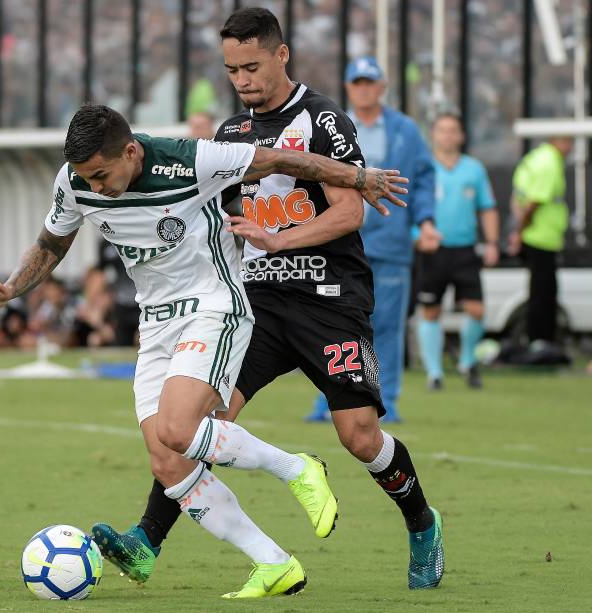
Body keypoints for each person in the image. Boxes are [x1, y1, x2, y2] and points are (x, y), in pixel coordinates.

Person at [0, 103, 408, 598]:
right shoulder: (73, 182)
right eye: (86, 177)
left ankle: (296, 468)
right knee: (169, 464)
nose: (95, 187)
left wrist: (360, 175)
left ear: (131, 151)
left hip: (213, 307)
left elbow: (284, 160)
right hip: (154, 323)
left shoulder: (192, 160)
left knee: (178, 430)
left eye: (103, 175)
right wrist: (10, 288)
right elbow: (52, 241)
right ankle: (273, 562)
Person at [91, 8, 444, 593]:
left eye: (252, 65)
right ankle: (147, 541)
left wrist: (278, 238)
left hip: (328, 299)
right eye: (232, 70)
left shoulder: (323, 119)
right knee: (198, 421)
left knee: (358, 435)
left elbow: (349, 211)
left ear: (282, 55)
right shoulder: (231, 134)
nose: (243, 80)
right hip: (256, 304)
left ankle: (422, 522)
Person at [307, 55, 440, 423]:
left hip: (390, 243)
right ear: (349, 88)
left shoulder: (405, 131)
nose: (364, 89)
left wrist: (425, 221)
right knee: (334, 326)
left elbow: (424, 180)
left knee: (386, 327)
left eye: (370, 83)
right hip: (338, 243)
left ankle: (385, 400)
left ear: (382, 87)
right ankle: (331, 401)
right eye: (358, 83)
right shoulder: (331, 126)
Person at [417, 113, 499, 389]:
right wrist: (418, 237)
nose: (448, 136)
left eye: (453, 130)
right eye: (442, 130)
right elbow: (410, 207)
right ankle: (434, 373)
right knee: (431, 310)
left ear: (461, 136)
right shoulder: (423, 166)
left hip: (465, 250)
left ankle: (466, 361)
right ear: (434, 135)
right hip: (433, 250)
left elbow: (487, 208)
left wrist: (492, 242)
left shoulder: (473, 169)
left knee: (476, 309)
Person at [509, 136, 573, 354]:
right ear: (557, 141)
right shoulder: (548, 162)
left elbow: (517, 198)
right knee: (542, 294)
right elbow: (532, 203)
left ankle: (541, 342)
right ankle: (540, 343)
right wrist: (519, 232)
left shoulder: (535, 158)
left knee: (542, 291)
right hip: (540, 238)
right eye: (568, 141)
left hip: (541, 237)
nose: (570, 147)